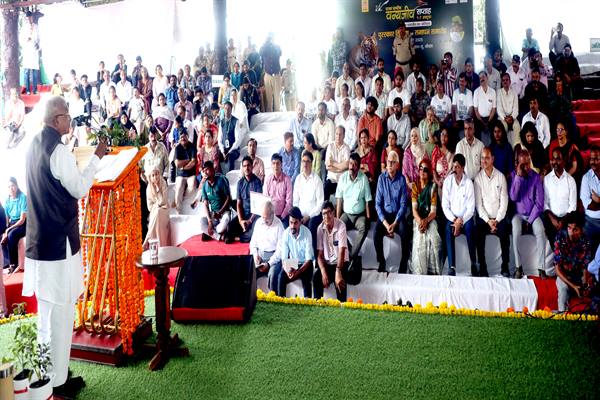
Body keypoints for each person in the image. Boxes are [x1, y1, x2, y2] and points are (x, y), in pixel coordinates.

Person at [24, 96, 107, 397]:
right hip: (59, 245)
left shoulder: (33, 145)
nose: (70, 120)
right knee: (61, 314)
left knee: (46, 316)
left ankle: (48, 375)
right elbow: (79, 188)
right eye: (67, 116)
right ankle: (58, 383)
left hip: (39, 242)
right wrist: (96, 157)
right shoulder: (58, 151)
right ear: (56, 119)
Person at [510, 149, 546, 279]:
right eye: (523, 164)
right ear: (518, 164)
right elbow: (513, 197)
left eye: (527, 163)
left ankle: (541, 268)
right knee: (515, 230)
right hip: (518, 215)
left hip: (533, 214)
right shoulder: (514, 175)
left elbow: (539, 203)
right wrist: (518, 177)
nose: (526, 167)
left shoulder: (536, 177)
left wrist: (530, 220)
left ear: (530, 162)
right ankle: (518, 267)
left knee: (540, 231)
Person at [474, 147, 510, 277]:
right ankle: (482, 268)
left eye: (487, 158)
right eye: (482, 158)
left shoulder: (500, 177)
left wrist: (497, 220)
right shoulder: (478, 179)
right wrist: (488, 221)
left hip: (498, 218)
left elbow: (504, 202)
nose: (484, 161)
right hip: (485, 219)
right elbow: (479, 205)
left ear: (492, 159)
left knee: (505, 235)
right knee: (478, 234)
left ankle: (505, 266)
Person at [375, 150, 410, 273]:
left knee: (405, 232)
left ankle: (404, 263)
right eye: (388, 161)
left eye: (393, 162)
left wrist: (395, 223)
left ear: (397, 165)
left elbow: (403, 204)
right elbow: (378, 204)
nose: (389, 164)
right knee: (376, 233)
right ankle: (381, 261)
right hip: (385, 215)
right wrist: (385, 224)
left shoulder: (401, 179)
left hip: (397, 216)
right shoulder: (381, 178)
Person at [442, 153, 476, 276]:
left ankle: (474, 263)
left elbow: (471, 208)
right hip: (452, 218)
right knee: (447, 230)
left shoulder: (468, 183)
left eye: (457, 167)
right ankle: (452, 267)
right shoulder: (448, 181)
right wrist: (454, 220)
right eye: (453, 167)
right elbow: (445, 206)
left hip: (465, 219)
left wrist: (461, 221)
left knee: (470, 229)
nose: (454, 169)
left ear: (463, 168)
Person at [335, 153, 372, 267]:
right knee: (337, 229)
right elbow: (339, 200)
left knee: (364, 227)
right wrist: (337, 219)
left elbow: (367, 201)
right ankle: (351, 254)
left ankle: (350, 256)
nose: (352, 166)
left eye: (355, 164)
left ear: (358, 166)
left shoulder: (363, 178)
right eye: (350, 163)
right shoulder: (343, 178)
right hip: (346, 214)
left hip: (359, 215)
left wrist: (368, 218)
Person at [554, 212, 592, 312]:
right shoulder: (560, 237)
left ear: (581, 230)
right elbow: (557, 269)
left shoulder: (586, 240)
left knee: (591, 289)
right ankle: (562, 316)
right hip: (564, 275)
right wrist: (573, 286)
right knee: (563, 290)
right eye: (569, 228)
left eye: (575, 229)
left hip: (578, 275)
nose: (571, 232)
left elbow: (585, 267)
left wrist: (584, 284)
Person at [314, 201, 350, 301]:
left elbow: (342, 251)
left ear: (333, 212)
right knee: (316, 277)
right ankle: (317, 306)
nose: (326, 216)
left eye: (329, 212)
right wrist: (323, 271)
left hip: (341, 263)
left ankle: (342, 306)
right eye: (324, 213)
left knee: (340, 282)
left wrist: (338, 271)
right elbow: (319, 255)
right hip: (328, 263)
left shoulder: (341, 225)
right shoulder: (320, 228)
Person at [411, 159, 442, 275]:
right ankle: (420, 270)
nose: (422, 171)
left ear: (429, 173)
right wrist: (421, 222)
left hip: (430, 218)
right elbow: (414, 210)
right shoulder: (415, 186)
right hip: (418, 218)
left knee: (433, 235)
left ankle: (434, 270)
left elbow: (433, 212)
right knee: (420, 237)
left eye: (425, 169)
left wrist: (426, 221)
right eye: (420, 169)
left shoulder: (433, 187)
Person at [277, 206, 314, 297]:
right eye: (291, 223)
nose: (293, 226)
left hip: (306, 264)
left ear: (300, 222)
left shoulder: (307, 233)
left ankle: (308, 303)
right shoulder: (286, 233)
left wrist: (297, 272)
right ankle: (280, 303)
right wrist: (287, 271)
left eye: (295, 223)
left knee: (307, 280)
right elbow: (284, 259)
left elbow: (308, 260)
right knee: (281, 277)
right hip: (293, 263)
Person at [544, 149, 577, 247]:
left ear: (564, 160)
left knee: (566, 247)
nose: (555, 162)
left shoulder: (571, 180)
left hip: (566, 220)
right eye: (553, 159)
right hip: (551, 219)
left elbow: (573, 206)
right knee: (555, 247)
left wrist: (563, 221)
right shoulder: (547, 179)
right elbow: (545, 202)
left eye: (558, 159)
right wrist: (552, 219)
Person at [250, 201, 284, 293]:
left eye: (267, 218)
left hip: (274, 258)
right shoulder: (258, 222)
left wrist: (269, 264)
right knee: (249, 273)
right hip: (260, 257)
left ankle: (273, 300)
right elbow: (253, 244)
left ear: (273, 214)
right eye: (263, 217)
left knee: (273, 275)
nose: (264, 221)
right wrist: (255, 256)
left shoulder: (279, 225)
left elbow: (280, 251)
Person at [294, 150, 325, 252]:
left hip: (313, 215)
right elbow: (295, 201)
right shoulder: (298, 179)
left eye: (308, 161)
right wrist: (299, 216)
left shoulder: (317, 180)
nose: (305, 164)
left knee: (311, 225)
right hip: (300, 215)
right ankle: (297, 257)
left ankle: (313, 256)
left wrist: (309, 216)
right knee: (293, 225)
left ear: (312, 163)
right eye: (303, 161)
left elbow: (320, 204)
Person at [227, 156, 263, 243]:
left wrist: (250, 221)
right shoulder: (240, 183)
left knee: (254, 232)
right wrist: (240, 221)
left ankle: (239, 238)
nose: (246, 168)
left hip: (254, 215)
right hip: (244, 214)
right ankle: (242, 233)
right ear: (242, 168)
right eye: (244, 166)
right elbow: (238, 203)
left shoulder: (257, 182)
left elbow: (259, 205)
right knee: (229, 227)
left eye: (248, 165)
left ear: (252, 167)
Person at [195, 161, 231, 242]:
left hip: (224, 212)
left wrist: (220, 212)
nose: (205, 173)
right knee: (201, 223)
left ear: (213, 170)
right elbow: (205, 205)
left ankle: (211, 233)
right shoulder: (204, 186)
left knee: (224, 222)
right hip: (213, 215)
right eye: (203, 171)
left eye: (207, 170)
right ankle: (220, 237)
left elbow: (228, 198)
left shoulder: (221, 180)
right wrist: (209, 221)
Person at [1, 177, 27, 272]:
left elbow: (22, 219)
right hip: (12, 224)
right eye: (9, 187)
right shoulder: (7, 201)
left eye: (13, 185)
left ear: (16, 186)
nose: (11, 188)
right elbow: (7, 220)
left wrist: (8, 230)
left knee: (11, 235)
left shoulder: (23, 197)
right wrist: (5, 231)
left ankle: (14, 264)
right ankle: (6, 264)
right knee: (3, 237)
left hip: (23, 224)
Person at [144, 168, 171, 248]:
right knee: (157, 212)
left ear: (159, 174)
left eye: (156, 174)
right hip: (155, 211)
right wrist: (157, 205)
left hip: (164, 209)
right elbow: (149, 207)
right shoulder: (149, 188)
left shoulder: (163, 183)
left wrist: (158, 189)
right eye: (153, 175)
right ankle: (152, 241)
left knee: (158, 212)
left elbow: (163, 201)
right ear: (150, 177)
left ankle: (147, 238)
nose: (155, 177)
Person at [580, 146, 600, 253]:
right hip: (590, 221)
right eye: (591, 159)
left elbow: (594, 204)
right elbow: (587, 204)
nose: (593, 162)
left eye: (596, 159)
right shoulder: (586, 178)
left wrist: (598, 200)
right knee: (586, 250)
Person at [265, 153, 293, 226]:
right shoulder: (268, 179)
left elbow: (289, 202)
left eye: (278, 163)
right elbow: (266, 199)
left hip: (283, 216)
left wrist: (282, 216)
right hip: (270, 215)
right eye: (273, 163)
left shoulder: (287, 180)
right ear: (271, 165)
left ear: (281, 165)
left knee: (284, 230)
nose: (276, 166)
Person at [324, 126, 351, 201]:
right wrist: (341, 168)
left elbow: (346, 165)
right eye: (336, 134)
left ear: (344, 135)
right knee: (326, 188)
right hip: (331, 178)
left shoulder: (347, 148)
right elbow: (327, 166)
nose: (338, 136)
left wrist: (333, 163)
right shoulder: (330, 146)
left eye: (340, 134)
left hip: (342, 179)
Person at [174, 131, 197, 213]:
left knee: (192, 186)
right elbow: (177, 164)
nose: (183, 138)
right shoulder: (177, 148)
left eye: (184, 136)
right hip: (180, 175)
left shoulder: (192, 146)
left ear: (187, 137)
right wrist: (187, 160)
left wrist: (183, 167)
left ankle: (182, 199)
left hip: (191, 174)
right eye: (181, 137)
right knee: (179, 187)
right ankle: (178, 211)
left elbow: (193, 162)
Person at [496, 73, 521, 146]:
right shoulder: (499, 92)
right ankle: (504, 146)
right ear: (501, 82)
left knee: (517, 126)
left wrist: (512, 117)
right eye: (503, 80)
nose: (505, 81)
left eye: (507, 80)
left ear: (510, 81)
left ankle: (516, 147)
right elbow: (499, 109)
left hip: (512, 117)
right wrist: (505, 118)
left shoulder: (514, 92)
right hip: (502, 118)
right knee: (502, 127)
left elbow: (516, 109)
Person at [260, 33, 282, 112]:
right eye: (269, 37)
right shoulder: (265, 47)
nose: (270, 39)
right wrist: (265, 42)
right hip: (267, 75)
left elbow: (279, 53)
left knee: (277, 98)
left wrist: (273, 45)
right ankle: (269, 115)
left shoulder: (277, 46)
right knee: (268, 99)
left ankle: (277, 114)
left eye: (272, 37)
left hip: (276, 74)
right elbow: (260, 52)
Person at [218, 101, 243, 172]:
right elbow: (219, 139)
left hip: (233, 149)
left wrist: (229, 151)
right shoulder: (222, 122)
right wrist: (222, 151)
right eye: (225, 109)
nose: (227, 111)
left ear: (231, 110)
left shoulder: (236, 121)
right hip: (224, 149)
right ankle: (220, 175)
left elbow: (238, 139)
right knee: (216, 155)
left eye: (228, 109)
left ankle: (229, 176)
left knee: (230, 156)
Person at [472, 71, 496, 144]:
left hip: (490, 118)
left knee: (495, 129)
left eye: (483, 77)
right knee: (477, 131)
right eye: (480, 78)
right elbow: (476, 110)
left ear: (487, 78)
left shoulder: (493, 92)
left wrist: (488, 121)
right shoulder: (476, 92)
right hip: (479, 118)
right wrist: (482, 122)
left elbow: (493, 109)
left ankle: (492, 147)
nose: (481, 79)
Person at [21, 11, 40, 94]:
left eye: (30, 17)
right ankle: (28, 90)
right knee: (26, 71)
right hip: (27, 51)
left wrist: (38, 44)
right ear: (26, 18)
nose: (29, 19)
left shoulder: (36, 27)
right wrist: (26, 39)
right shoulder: (24, 28)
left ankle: (35, 90)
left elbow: (39, 38)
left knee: (35, 71)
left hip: (34, 51)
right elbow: (21, 39)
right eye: (28, 17)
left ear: (32, 17)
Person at [431, 128, 454, 194]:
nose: (444, 137)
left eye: (446, 135)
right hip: (439, 181)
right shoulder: (436, 149)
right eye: (442, 134)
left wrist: (446, 179)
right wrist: (438, 181)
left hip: (450, 180)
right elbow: (433, 169)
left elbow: (452, 168)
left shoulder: (452, 151)